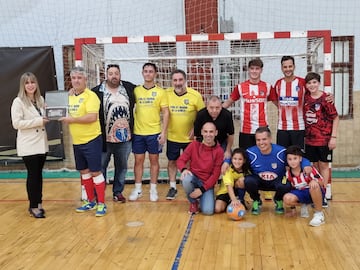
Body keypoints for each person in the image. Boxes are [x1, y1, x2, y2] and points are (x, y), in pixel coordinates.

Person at [59, 66, 107, 217]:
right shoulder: (70, 96)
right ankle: (90, 201)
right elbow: (59, 110)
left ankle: (101, 204)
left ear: (85, 80)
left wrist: (71, 120)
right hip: (77, 141)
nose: (76, 80)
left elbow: (92, 117)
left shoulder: (91, 96)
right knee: (84, 172)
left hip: (91, 139)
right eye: (74, 78)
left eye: (79, 78)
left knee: (95, 172)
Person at [92, 64, 136, 203]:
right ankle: (99, 194)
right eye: (111, 73)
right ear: (106, 75)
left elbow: (146, 90)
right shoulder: (96, 91)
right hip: (104, 138)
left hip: (125, 138)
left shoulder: (129, 88)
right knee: (101, 167)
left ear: (120, 74)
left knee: (122, 167)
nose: (114, 76)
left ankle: (118, 192)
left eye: (116, 73)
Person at [244, 126, 311, 215]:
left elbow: (298, 158)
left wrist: (306, 165)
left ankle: (278, 199)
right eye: (258, 140)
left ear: (270, 139)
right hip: (259, 181)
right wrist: (226, 162)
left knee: (286, 184)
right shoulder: (250, 152)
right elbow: (236, 157)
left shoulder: (281, 151)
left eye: (264, 139)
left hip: (277, 181)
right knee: (247, 181)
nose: (261, 143)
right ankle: (256, 200)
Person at [129, 63, 169, 202]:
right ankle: (138, 188)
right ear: (142, 73)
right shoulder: (136, 90)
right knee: (138, 161)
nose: (148, 74)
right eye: (145, 71)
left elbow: (165, 112)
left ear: (155, 73)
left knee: (154, 161)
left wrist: (163, 132)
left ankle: (153, 189)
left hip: (154, 133)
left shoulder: (160, 92)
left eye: (151, 71)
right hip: (138, 133)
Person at [11, 72, 49, 218]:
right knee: (33, 175)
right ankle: (33, 206)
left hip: (41, 143)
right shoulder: (18, 101)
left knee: (38, 175)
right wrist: (39, 121)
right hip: (28, 145)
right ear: (23, 85)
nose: (30, 85)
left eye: (32, 82)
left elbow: (48, 115)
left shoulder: (40, 99)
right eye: (27, 83)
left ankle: (38, 203)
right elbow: (17, 124)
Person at [165, 69, 205, 200]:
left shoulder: (195, 95)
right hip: (172, 136)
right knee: (172, 161)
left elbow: (203, 115)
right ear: (172, 81)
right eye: (175, 80)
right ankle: (172, 187)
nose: (178, 83)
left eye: (180, 80)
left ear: (185, 80)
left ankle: (190, 186)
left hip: (190, 138)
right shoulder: (166, 94)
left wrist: (195, 129)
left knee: (189, 163)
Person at [304, 72, 339, 206]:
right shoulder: (306, 98)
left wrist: (333, 137)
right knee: (314, 166)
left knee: (324, 165)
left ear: (319, 83)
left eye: (314, 82)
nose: (312, 85)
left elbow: (336, 117)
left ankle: (323, 194)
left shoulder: (326, 99)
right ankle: (316, 193)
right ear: (306, 85)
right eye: (309, 83)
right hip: (309, 140)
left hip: (324, 139)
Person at [223, 58, 272, 149]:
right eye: (252, 68)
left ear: (261, 70)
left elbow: (277, 103)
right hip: (245, 130)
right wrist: (215, 110)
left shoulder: (267, 87)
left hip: (262, 130)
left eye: (257, 69)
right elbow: (229, 102)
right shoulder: (240, 87)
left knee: (262, 156)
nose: (254, 71)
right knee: (246, 158)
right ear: (248, 70)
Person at [177, 122, 224, 215]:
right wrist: (184, 169)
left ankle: (204, 196)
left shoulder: (219, 151)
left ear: (216, 133)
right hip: (194, 178)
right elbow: (180, 160)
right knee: (186, 178)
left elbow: (215, 175)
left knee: (208, 211)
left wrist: (202, 190)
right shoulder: (194, 145)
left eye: (211, 132)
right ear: (202, 132)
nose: (208, 135)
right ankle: (193, 202)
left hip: (207, 183)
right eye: (205, 131)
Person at [270, 56, 307, 150]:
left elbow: (314, 94)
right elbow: (275, 99)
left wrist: (328, 96)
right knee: (283, 157)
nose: (288, 69)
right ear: (282, 68)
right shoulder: (278, 83)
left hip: (299, 127)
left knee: (298, 157)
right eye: (285, 67)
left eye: (290, 66)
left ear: (294, 67)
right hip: (282, 128)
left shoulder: (302, 82)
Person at [283, 145, 326, 226]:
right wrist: (293, 210)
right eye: (290, 159)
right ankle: (304, 204)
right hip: (301, 194)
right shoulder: (288, 174)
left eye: (295, 158)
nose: (292, 161)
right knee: (286, 198)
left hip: (315, 192)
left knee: (314, 185)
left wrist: (314, 181)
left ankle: (319, 215)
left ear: (300, 159)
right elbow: (290, 189)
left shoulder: (308, 169)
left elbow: (321, 182)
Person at [194, 95, 234, 160]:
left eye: (217, 107)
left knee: (227, 160)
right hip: (204, 143)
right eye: (211, 107)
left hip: (222, 142)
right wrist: (197, 151)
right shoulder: (200, 115)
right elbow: (196, 136)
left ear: (221, 106)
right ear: (207, 107)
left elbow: (231, 135)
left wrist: (228, 150)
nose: (214, 110)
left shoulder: (227, 115)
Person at [215, 148, 251, 213]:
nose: (237, 161)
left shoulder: (246, 171)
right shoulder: (227, 169)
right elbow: (229, 186)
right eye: (235, 159)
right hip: (225, 192)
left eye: (240, 159)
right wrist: (233, 199)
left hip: (237, 192)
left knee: (242, 180)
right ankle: (230, 202)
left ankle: (240, 200)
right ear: (231, 159)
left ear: (244, 160)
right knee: (217, 209)